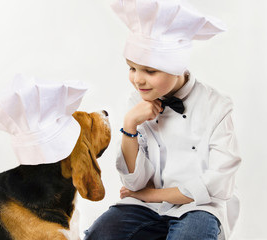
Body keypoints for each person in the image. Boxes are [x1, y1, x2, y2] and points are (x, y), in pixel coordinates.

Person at [84, 0, 241, 239]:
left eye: (150, 71)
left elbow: (218, 184)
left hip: (199, 206)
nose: (138, 80)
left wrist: (153, 194)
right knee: (100, 234)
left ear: (177, 67)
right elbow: (135, 184)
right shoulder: (135, 102)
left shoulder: (216, 106)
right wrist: (130, 125)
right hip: (145, 207)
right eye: (132, 68)